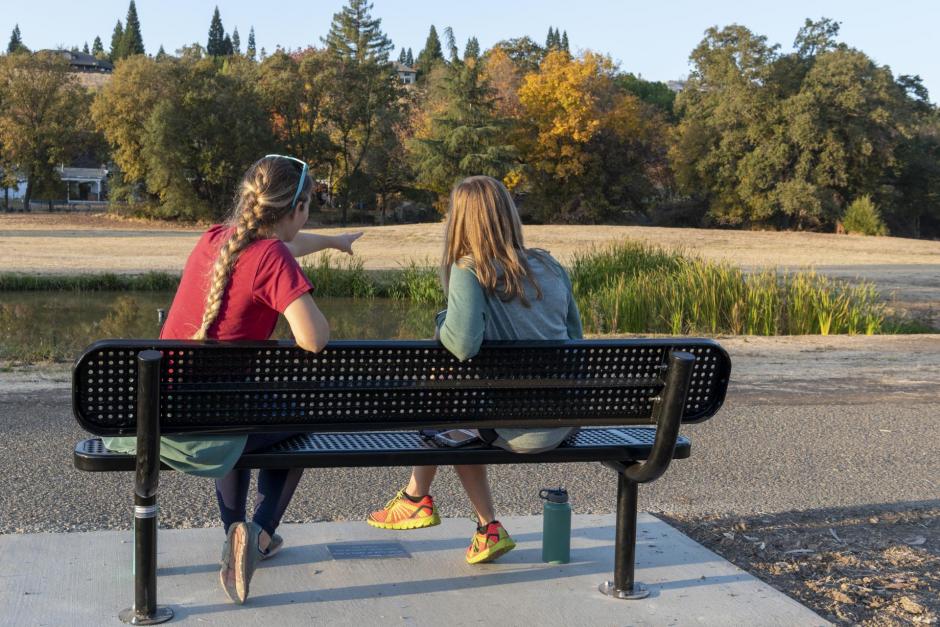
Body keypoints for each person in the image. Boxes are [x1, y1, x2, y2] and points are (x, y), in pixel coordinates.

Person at [103, 155, 362, 604]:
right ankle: (258, 535)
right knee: (297, 425)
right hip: (215, 419)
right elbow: (313, 338)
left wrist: (335, 242)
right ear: (297, 208)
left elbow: (279, 247)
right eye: (308, 209)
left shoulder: (215, 240)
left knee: (242, 414)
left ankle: (233, 531)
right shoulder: (273, 257)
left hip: (157, 411)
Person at [367, 175, 583, 564]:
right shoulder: (551, 266)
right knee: (456, 403)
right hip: (565, 421)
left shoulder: (470, 269)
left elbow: (463, 343)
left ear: (459, 221)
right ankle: (475, 525)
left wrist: (442, 318)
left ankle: (424, 500)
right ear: (508, 214)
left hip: (515, 428)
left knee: (449, 406)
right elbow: (575, 343)